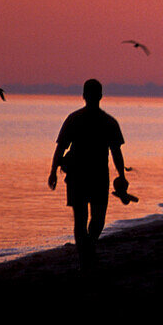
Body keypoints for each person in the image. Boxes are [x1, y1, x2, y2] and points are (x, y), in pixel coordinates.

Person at [48, 78, 127, 267]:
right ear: (100, 96)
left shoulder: (75, 119)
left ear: (84, 96)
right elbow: (116, 153)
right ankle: (87, 252)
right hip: (95, 175)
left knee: (82, 219)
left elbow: (60, 149)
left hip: (80, 176)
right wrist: (122, 176)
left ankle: (86, 251)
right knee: (96, 218)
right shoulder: (108, 121)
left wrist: (52, 172)